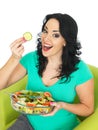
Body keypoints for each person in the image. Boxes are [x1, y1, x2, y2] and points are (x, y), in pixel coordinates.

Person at [0, 13, 94, 130]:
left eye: (55, 35)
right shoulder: (31, 59)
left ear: (66, 41)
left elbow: (88, 108)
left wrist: (62, 105)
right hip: (28, 123)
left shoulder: (80, 70)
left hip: (62, 127)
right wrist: (13, 58)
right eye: (45, 31)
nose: (46, 38)